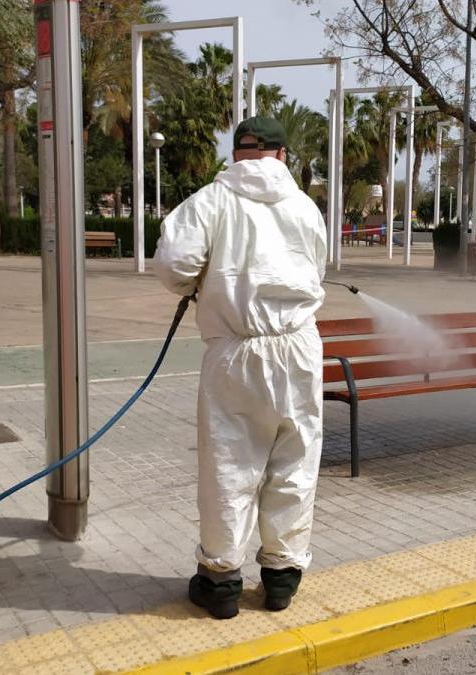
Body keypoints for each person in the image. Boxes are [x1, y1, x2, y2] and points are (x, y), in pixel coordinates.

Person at [153, 116, 328, 619]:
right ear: (282, 155)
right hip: (299, 345)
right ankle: (281, 577)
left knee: (231, 462)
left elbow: (172, 266)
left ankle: (221, 581)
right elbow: (316, 268)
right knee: (294, 458)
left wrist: (199, 282)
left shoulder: (210, 200)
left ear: (237, 154)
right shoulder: (304, 207)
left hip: (236, 348)